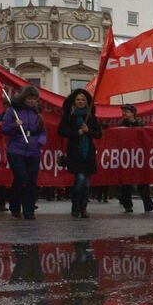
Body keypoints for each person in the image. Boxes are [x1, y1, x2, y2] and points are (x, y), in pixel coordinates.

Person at [2, 84, 47, 220]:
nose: (32, 101)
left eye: (34, 98)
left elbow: (42, 131)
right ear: (23, 98)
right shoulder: (12, 111)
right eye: (29, 98)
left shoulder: (37, 113)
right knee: (21, 177)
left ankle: (29, 210)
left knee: (32, 181)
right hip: (16, 149)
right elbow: (4, 130)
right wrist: (14, 125)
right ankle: (15, 205)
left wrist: (40, 141)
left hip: (33, 150)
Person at [59, 88, 103, 219]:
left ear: (87, 102)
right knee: (80, 179)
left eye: (83, 99)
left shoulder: (90, 116)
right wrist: (75, 133)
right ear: (74, 101)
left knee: (87, 182)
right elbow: (61, 131)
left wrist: (88, 130)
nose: (80, 102)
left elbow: (98, 134)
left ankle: (83, 207)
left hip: (88, 152)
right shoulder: (69, 115)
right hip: (74, 151)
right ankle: (76, 206)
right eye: (78, 99)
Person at [115, 103, 153, 213]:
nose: (124, 113)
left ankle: (148, 204)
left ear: (133, 113)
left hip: (138, 157)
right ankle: (127, 204)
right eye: (123, 111)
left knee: (143, 182)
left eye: (126, 111)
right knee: (126, 183)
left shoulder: (140, 125)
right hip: (125, 158)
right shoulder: (120, 125)